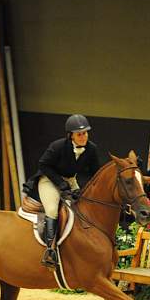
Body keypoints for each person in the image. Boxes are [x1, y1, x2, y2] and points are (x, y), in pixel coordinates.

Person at [23, 114, 100, 268]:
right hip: (49, 180)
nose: (83, 137)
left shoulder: (91, 149)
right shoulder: (57, 146)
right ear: (71, 135)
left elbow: (94, 173)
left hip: (71, 180)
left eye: (85, 133)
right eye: (79, 134)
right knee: (52, 210)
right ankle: (50, 251)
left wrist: (82, 189)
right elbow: (43, 165)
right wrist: (60, 183)